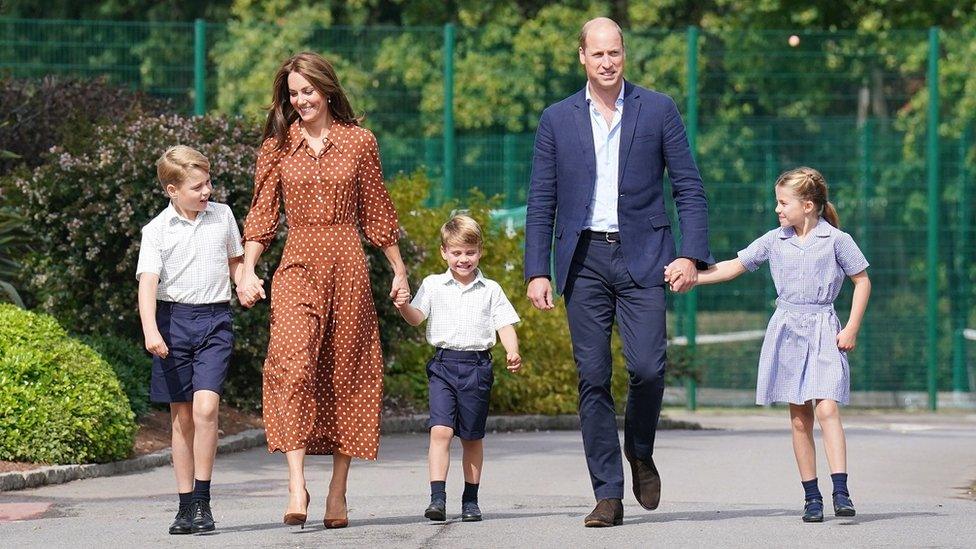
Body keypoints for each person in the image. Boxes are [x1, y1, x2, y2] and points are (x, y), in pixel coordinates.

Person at [523, 17, 713, 527]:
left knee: (649, 368)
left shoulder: (659, 109)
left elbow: (689, 189)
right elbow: (541, 200)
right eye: (597, 54)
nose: (607, 63)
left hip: (647, 256)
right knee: (592, 378)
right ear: (581, 57)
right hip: (583, 260)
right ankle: (607, 492)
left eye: (615, 53)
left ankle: (641, 451)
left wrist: (690, 256)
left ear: (624, 54)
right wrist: (536, 270)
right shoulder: (557, 119)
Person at [236, 51, 409, 529]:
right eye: (293, 94)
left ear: (327, 90)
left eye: (308, 91)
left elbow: (377, 211)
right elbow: (262, 214)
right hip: (297, 263)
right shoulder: (278, 145)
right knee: (290, 362)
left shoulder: (359, 142)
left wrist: (398, 270)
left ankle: (338, 490)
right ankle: (296, 483)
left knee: (344, 371)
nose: (301, 100)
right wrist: (248, 270)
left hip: (348, 264)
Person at [667, 167, 870, 522]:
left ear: (807, 205)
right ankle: (812, 497)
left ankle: (841, 489)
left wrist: (851, 327)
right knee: (799, 418)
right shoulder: (774, 240)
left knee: (827, 409)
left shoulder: (837, 240)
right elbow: (733, 266)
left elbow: (862, 281)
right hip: (788, 331)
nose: (777, 209)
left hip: (824, 329)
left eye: (782, 202)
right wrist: (693, 277)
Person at [136, 145, 245, 535]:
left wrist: (244, 281)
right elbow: (148, 283)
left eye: (208, 183)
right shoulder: (156, 231)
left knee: (205, 410)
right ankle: (185, 506)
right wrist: (151, 329)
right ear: (172, 189)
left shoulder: (223, 216)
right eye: (198, 186)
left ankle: (203, 499)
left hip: (215, 319)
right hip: (172, 322)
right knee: (181, 418)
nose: (207, 192)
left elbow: (236, 261)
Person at [393, 214, 522, 523]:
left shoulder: (490, 289)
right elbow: (416, 317)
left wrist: (512, 350)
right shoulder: (433, 285)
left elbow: (504, 323)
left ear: (480, 252)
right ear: (444, 252)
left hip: (477, 367)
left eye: (470, 252)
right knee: (440, 431)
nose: (464, 259)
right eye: (457, 253)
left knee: (472, 438)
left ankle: (471, 500)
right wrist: (402, 306)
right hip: (443, 366)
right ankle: (437, 498)